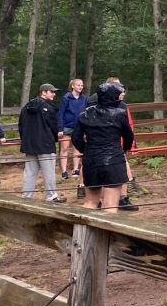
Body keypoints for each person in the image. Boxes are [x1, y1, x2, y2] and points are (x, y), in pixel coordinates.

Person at [71, 81, 134, 213]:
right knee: (110, 206)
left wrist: (86, 150)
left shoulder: (85, 113)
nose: (121, 96)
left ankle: (83, 232)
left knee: (90, 203)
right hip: (113, 160)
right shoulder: (120, 114)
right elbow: (129, 136)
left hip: (91, 160)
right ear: (112, 96)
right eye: (118, 94)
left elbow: (76, 138)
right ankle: (104, 233)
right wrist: (123, 150)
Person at [19, 83, 66, 203]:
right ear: (43, 92)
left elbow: (21, 126)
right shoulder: (48, 108)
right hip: (45, 144)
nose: (54, 94)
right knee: (48, 171)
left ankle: (26, 196)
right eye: (51, 92)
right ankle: (51, 195)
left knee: (29, 172)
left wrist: (25, 139)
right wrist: (55, 137)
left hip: (29, 144)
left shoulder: (26, 107)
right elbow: (53, 126)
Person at [57, 78, 86, 180]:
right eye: (78, 85)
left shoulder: (84, 98)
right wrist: (60, 128)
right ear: (73, 86)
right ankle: (64, 171)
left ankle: (76, 169)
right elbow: (60, 113)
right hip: (66, 126)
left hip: (79, 126)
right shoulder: (66, 98)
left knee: (77, 148)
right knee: (64, 148)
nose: (80, 87)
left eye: (82, 85)